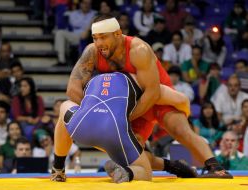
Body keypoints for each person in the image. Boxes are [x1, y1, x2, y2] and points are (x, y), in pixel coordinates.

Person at [65, 15, 232, 178]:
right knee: (129, 152)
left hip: (156, 97)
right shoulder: (92, 52)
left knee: (179, 129)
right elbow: (73, 88)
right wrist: (93, 111)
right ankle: (172, 166)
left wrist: (124, 118)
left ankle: (216, 168)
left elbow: (153, 93)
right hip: (126, 102)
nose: (99, 43)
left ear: (117, 34)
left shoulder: (138, 50)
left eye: (103, 37)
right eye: (95, 38)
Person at [52, 72, 196, 183]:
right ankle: (127, 172)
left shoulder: (94, 78)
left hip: (81, 126)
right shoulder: (141, 79)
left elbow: (73, 93)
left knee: (65, 106)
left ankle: (58, 168)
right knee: (144, 170)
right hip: (114, 132)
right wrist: (185, 116)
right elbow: (182, 99)